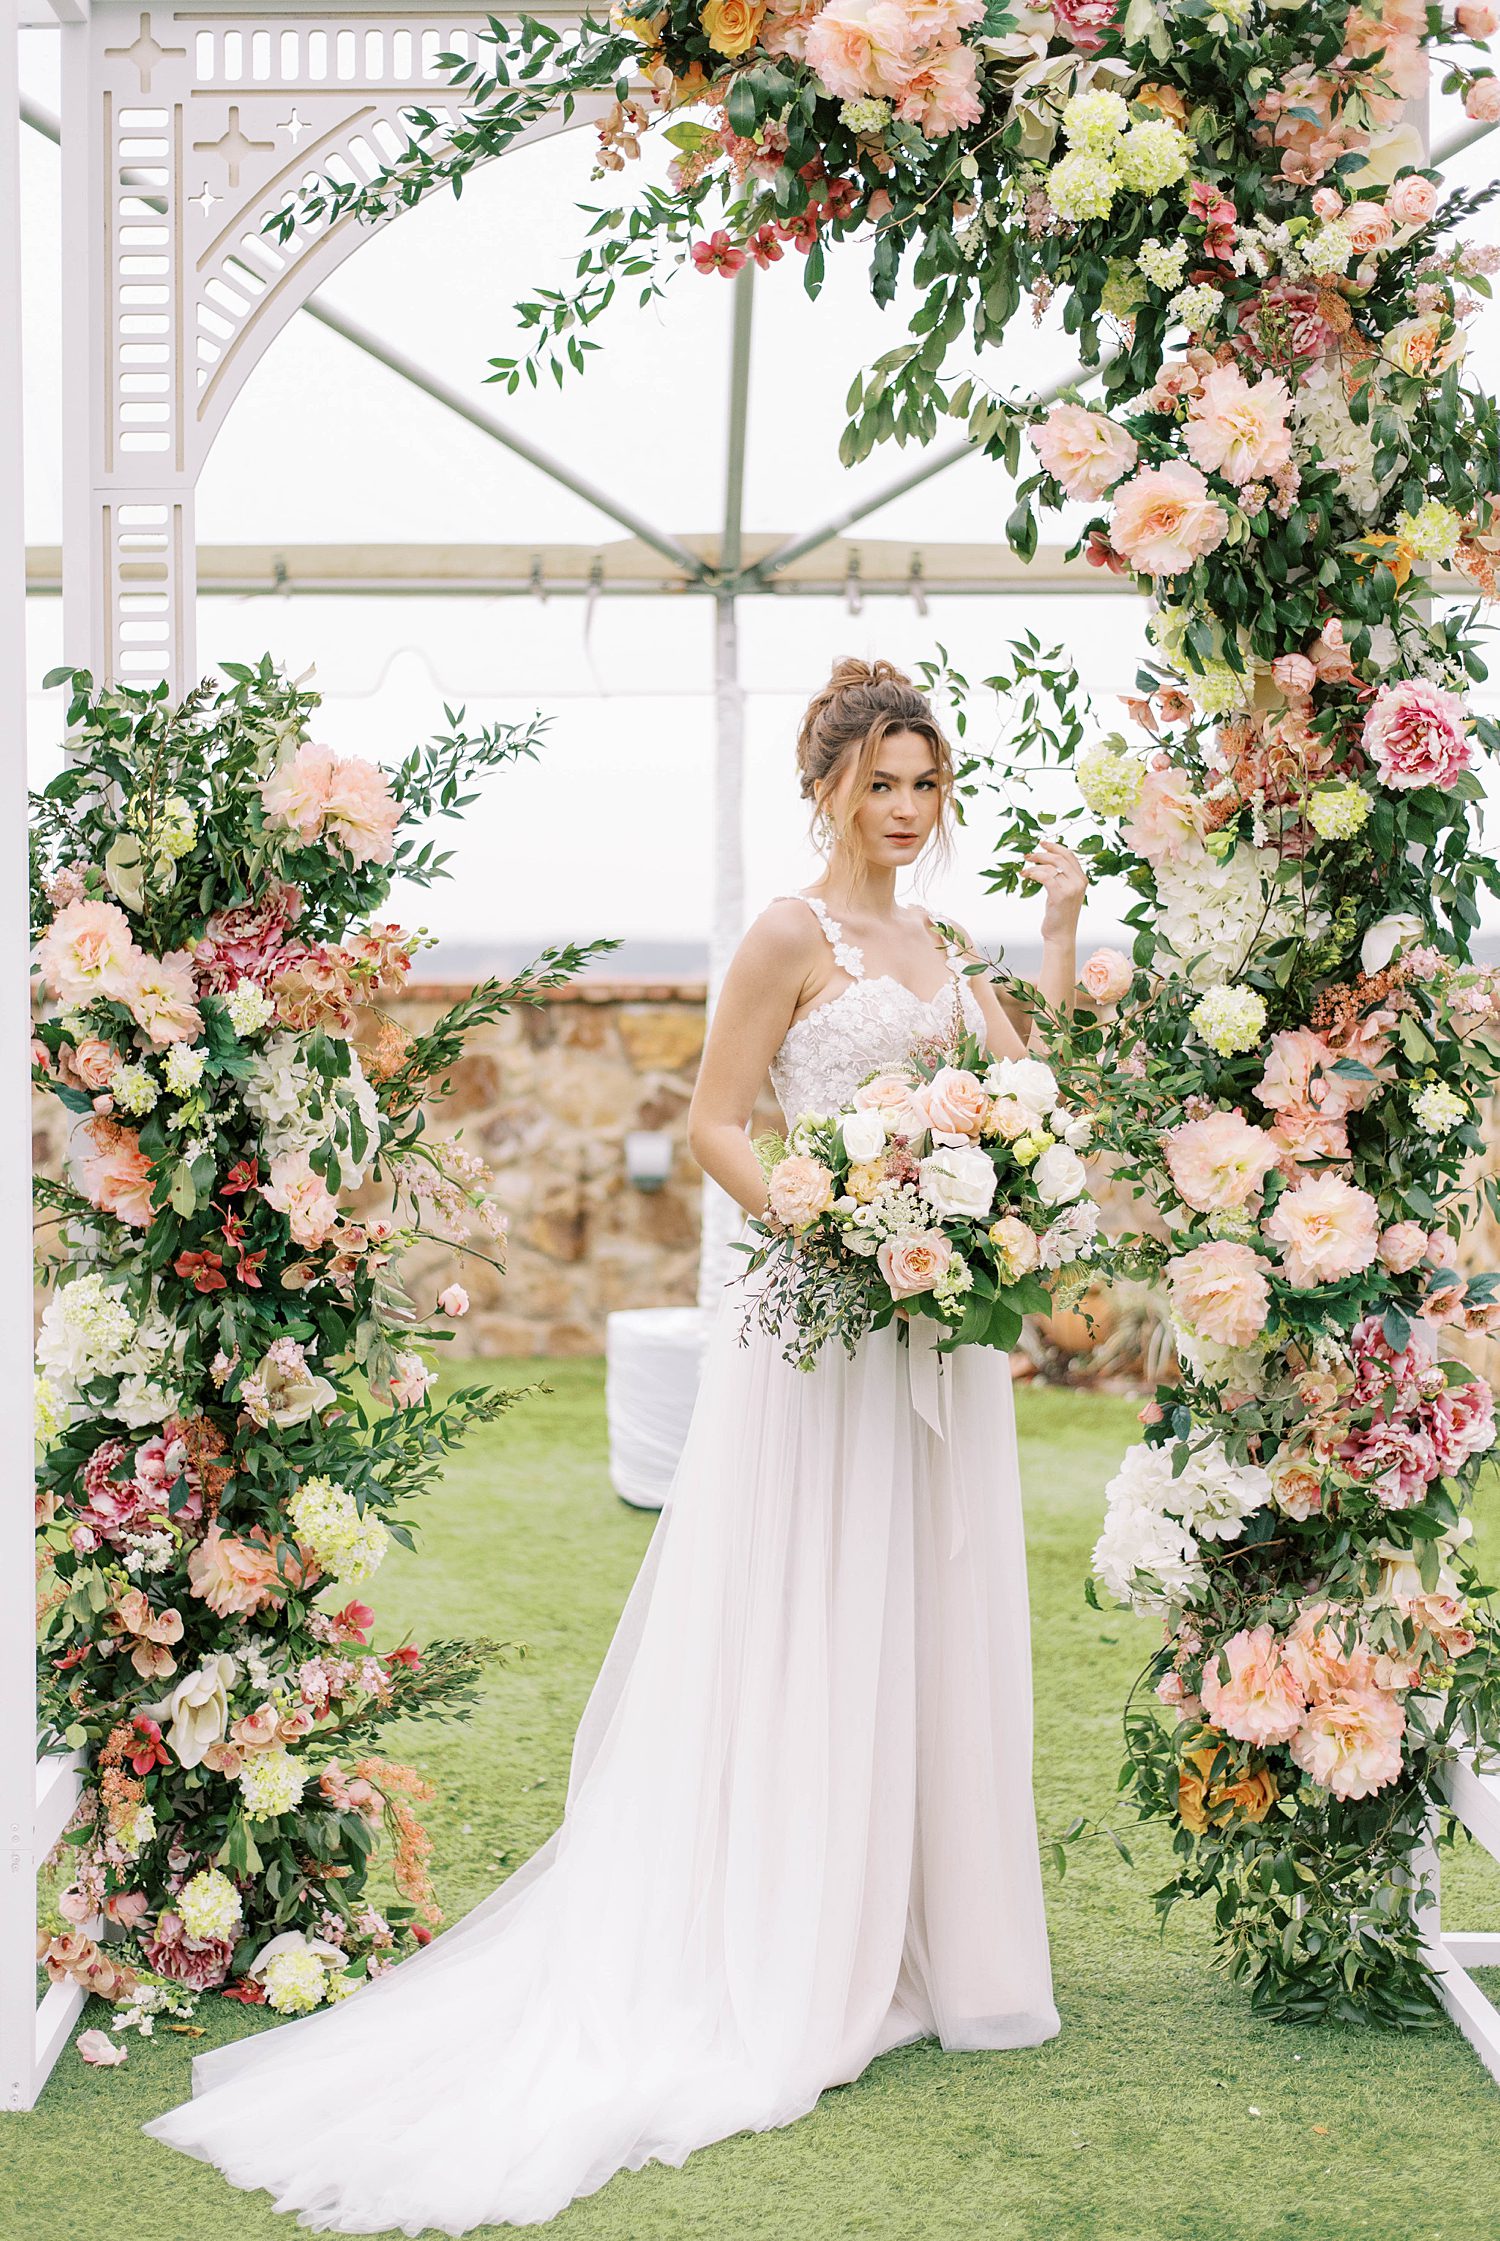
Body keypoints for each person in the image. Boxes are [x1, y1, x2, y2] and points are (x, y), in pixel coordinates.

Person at [144, 656, 1087, 2235]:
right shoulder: (792, 934)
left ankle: (926, 1934)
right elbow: (721, 1116)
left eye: (928, 784)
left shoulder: (945, 940)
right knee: (813, 1613)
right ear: (831, 786)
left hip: (934, 1328)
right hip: (827, 1316)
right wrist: (833, 1211)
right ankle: (788, 1927)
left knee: (929, 1612)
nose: (908, 813)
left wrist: (1052, 940)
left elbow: (1023, 1087)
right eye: (884, 785)